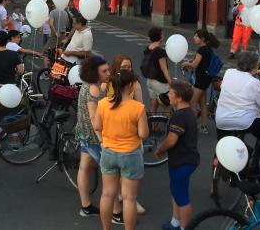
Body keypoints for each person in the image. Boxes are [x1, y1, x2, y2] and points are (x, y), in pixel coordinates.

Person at [92, 69, 148, 230]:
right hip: (130, 154)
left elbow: (96, 126)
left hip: (109, 152)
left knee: (107, 194)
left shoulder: (103, 104)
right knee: (129, 198)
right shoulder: (137, 107)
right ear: (130, 85)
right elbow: (143, 134)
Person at [215, 52, 260, 178]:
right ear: (253, 66)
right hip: (244, 121)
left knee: (222, 145)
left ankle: (217, 176)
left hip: (222, 119)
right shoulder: (253, 82)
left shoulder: (229, 73)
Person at [75, 56, 125, 223]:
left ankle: (86, 206)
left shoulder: (89, 85)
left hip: (83, 132)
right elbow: (94, 117)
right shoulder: (94, 90)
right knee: (112, 175)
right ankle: (116, 213)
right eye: (104, 71)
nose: (108, 72)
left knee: (84, 167)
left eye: (108, 69)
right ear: (94, 73)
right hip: (94, 138)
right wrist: (104, 143)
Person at [155, 82, 199, 230]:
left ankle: (184, 227)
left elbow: (172, 140)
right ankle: (175, 222)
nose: (168, 94)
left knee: (182, 197)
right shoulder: (186, 112)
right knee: (176, 190)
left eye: (171, 93)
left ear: (179, 98)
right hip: (182, 160)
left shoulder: (179, 116)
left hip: (183, 161)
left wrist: (160, 148)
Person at [181, 29, 219, 134]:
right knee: (203, 103)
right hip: (206, 79)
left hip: (201, 80)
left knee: (192, 101)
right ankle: (204, 126)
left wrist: (186, 64)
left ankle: (192, 126)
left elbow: (194, 65)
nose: (194, 38)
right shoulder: (208, 49)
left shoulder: (201, 50)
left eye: (196, 36)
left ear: (202, 38)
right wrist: (190, 62)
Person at [143, 27, 173, 115]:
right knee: (168, 105)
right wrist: (171, 82)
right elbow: (164, 68)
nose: (163, 36)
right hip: (160, 83)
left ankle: (153, 126)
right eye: (162, 34)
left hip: (150, 81)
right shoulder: (160, 52)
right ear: (160, 37)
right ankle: (167, 125)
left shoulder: (148, 49)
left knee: (153, 104)